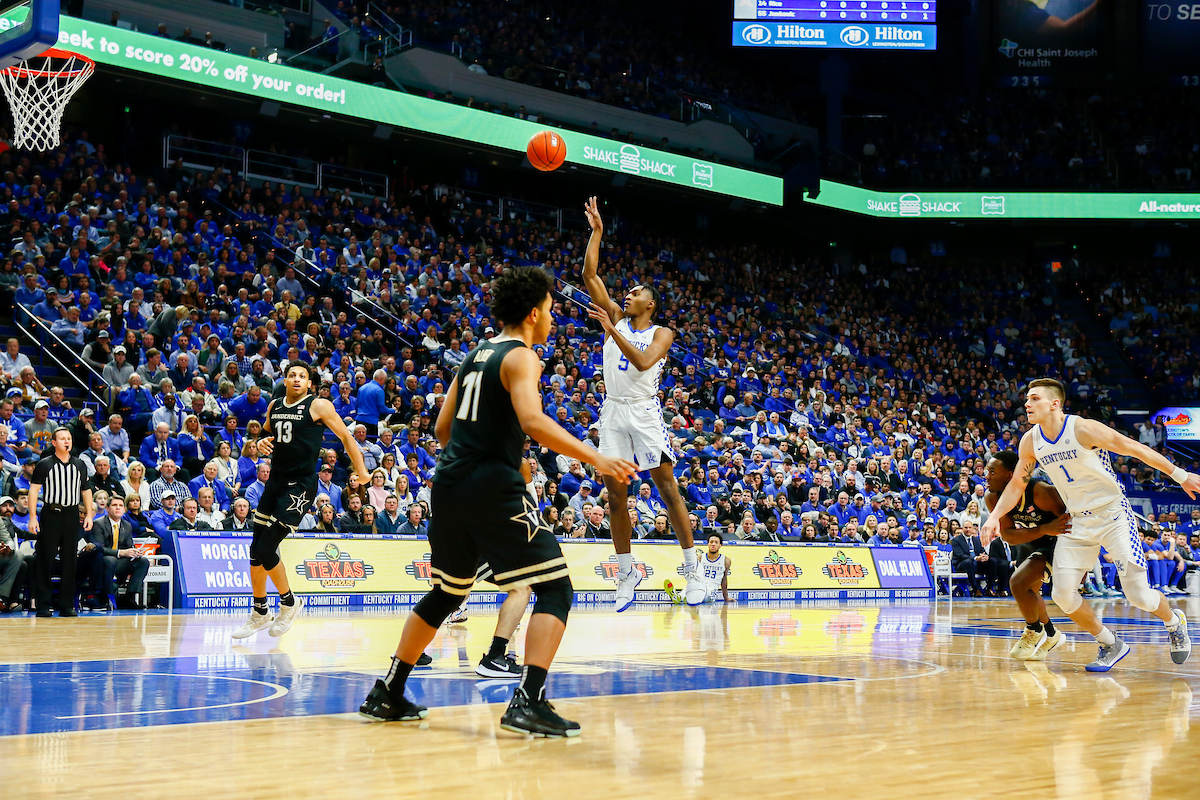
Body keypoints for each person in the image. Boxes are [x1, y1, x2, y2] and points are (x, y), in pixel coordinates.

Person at [358, 266, 638, 736]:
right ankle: (528, 700)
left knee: (447, 591)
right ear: (533, 313)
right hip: (490, 485)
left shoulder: (473, 354)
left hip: (447, 485)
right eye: (550, 310)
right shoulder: (522, 356)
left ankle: (388, 689)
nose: (552, 319)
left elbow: (443, 430)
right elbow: (531, 419)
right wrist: (597, 457)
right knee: (555, 588)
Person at [982, 378, 1199, 671]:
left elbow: (1134, 448)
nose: (1027, 404)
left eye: (1034, 399)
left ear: (1054, 403)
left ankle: (1174, 621)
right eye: (1027, 399)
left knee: (1137, 595)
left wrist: (1180, 474)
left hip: (1112, 514)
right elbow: (1017, 484)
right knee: (1061, 594)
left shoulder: (1083, 428)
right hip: (1077, 519)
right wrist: (994, 516)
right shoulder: (1031, 440)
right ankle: (1110, 643)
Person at [582, 197, 703, 611]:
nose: (627, 295)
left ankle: (694, 570)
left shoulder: (662, 333)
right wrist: (597, 233)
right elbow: (589, 273)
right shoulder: (614, 317)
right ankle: (627, 570)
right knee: (615, 495)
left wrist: (610, 331)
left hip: (644, 409)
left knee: (667, 489)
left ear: (649, 305)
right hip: (613, 409)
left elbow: (642, 361)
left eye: (634, 293)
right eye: (627, 292)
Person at [232, 363, 368, 640]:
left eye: (302, 376)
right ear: (285, 379)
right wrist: (260, 444)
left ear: (309, 383)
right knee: (255, 550)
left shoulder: (318, 406)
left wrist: (361, 469)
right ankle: (260, 611)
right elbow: (267, 436)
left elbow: (345, 436)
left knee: (267, 548)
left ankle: (290, 603)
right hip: (276, 481)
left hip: (300, 485)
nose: (296, 379)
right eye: (292, 375)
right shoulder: (274, 405)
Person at [985, 450, 1070, 661]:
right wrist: (1043, 529)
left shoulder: (1041, 491)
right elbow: (1009, 536)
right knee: (1028, 590)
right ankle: (1051, 634)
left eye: (992, 471)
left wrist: (1083, 563)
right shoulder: (992, 497)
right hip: (1031, 541)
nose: (986, 476)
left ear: (1010, 475)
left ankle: (1034, 630)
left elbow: (1071, 524)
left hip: (1058, 543)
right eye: (987, 471)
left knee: (1018, 583)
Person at [28, 427, 93, 617]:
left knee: (70, 560)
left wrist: (89, 514)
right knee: (45, 559)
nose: (67, 441)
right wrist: (33, 517)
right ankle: (43, 604)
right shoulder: (45, 464)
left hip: (72, 514)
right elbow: (33, 491)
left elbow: (86, 491)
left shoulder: (80, 464)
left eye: (69, 438)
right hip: (51, 513)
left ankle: (66, 605)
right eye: (62, 438)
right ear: (54, 443)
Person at [82, 495, 149, 610]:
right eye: (114, 505)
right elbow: (99, 548)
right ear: (107, 509)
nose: (118, 508)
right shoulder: (99, 524)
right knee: (110, 560)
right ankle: (104, 596)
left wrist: (134, 551)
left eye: (120, 506)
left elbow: (129, 546)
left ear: (124, 509)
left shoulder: (127, 525)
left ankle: (130, 597)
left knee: (143, 561)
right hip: (102, 561)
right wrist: (121, 553)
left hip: (120, 561)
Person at [696, 532, 731, 603]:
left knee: (704, 595)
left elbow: (724, 580)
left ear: (720, 545)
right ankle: (679, 596)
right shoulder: (700, 558)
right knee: (692, 591)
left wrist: (726, 597)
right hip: (699, 586)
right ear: (708, 544)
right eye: (711, 542)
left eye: (716, 542)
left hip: (711, 591)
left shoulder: (726, 560)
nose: (713, 544)